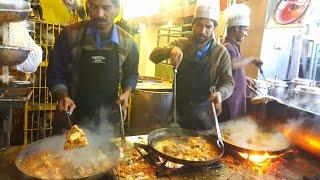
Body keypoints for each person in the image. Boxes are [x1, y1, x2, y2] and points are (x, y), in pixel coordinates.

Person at [47, 0, 139, 134]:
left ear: (117, 9)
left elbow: (131, 74)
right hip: (71, 114)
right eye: (95, 7)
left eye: (106, 8)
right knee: (64, 153)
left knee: (108, 154)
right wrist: (63, 96)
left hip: (108, 119)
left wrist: (127, 92)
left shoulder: (128, 43)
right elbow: (55, 72)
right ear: (88, 6)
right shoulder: (70, 35)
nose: (99, 13)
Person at [149, 0, 234, 131]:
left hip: (204, 115)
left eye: (208, 26)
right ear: (193, 25)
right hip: (177, 113)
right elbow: (153, 56)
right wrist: (169, 50)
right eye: (199, 25)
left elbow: (228, 81)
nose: (203, 30)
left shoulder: (220, 52)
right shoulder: (180, 44)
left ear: (213, 28)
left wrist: (221, 93)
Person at [220, 4, 263, 121]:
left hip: (235, 102)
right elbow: (233, 64)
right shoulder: (227, 46)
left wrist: (244, 78)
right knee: (227, 132)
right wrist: (252, 59)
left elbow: (232, 70)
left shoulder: (234, 46)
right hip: (229, 103)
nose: (246, 33)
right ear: (237, 28)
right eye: (245, 29)